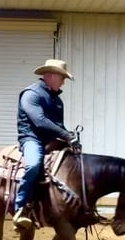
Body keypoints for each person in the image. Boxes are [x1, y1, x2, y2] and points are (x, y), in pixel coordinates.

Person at [12, 59, 80, 229]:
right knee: (34, 165)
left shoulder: (57, 100)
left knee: (75, 163)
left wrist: (70, 138)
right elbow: (40, 121)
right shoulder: (31, 94)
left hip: (51, 140)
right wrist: (65, 135)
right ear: (49, 75)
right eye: (62, 77)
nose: (64, 81)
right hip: (31, 138)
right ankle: (20, 207)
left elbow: (58, 125)